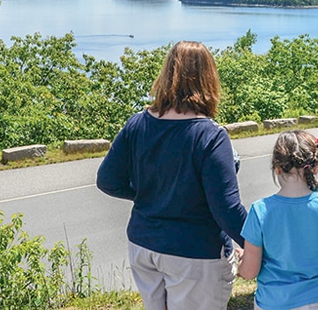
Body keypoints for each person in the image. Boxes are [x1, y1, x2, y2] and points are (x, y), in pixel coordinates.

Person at [96, 40, 247, 310]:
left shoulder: (138, 124)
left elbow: (107, 180)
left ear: (167, 75)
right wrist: (257, 244)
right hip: (195, 252)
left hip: (143, 245)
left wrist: (146, 195)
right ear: (209, 79)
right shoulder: (210, 135)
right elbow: (226, 208)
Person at [237, 130, 318, 310]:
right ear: (316, 166)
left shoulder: (260, 210)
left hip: (273, 302)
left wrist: (242, 261)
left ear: (277, 168)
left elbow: (250, 271)